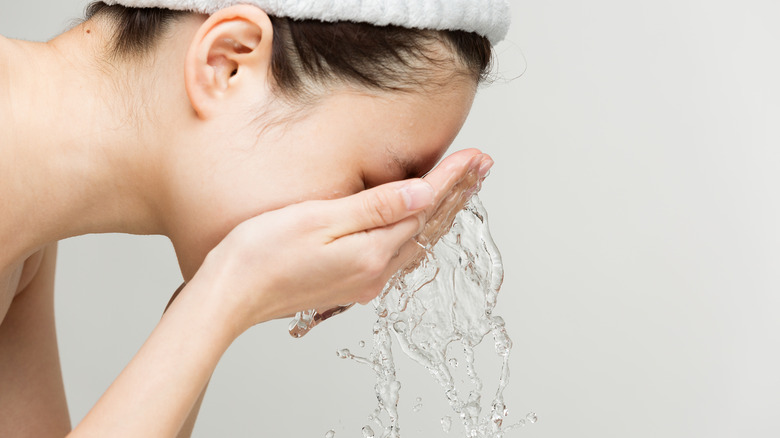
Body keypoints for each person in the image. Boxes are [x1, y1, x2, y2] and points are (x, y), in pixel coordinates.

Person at [0, 0, 509, 436]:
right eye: (370, 185)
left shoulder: (22, 235)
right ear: (228, 64)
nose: (370, 237)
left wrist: (210, 300)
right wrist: (227, 293)